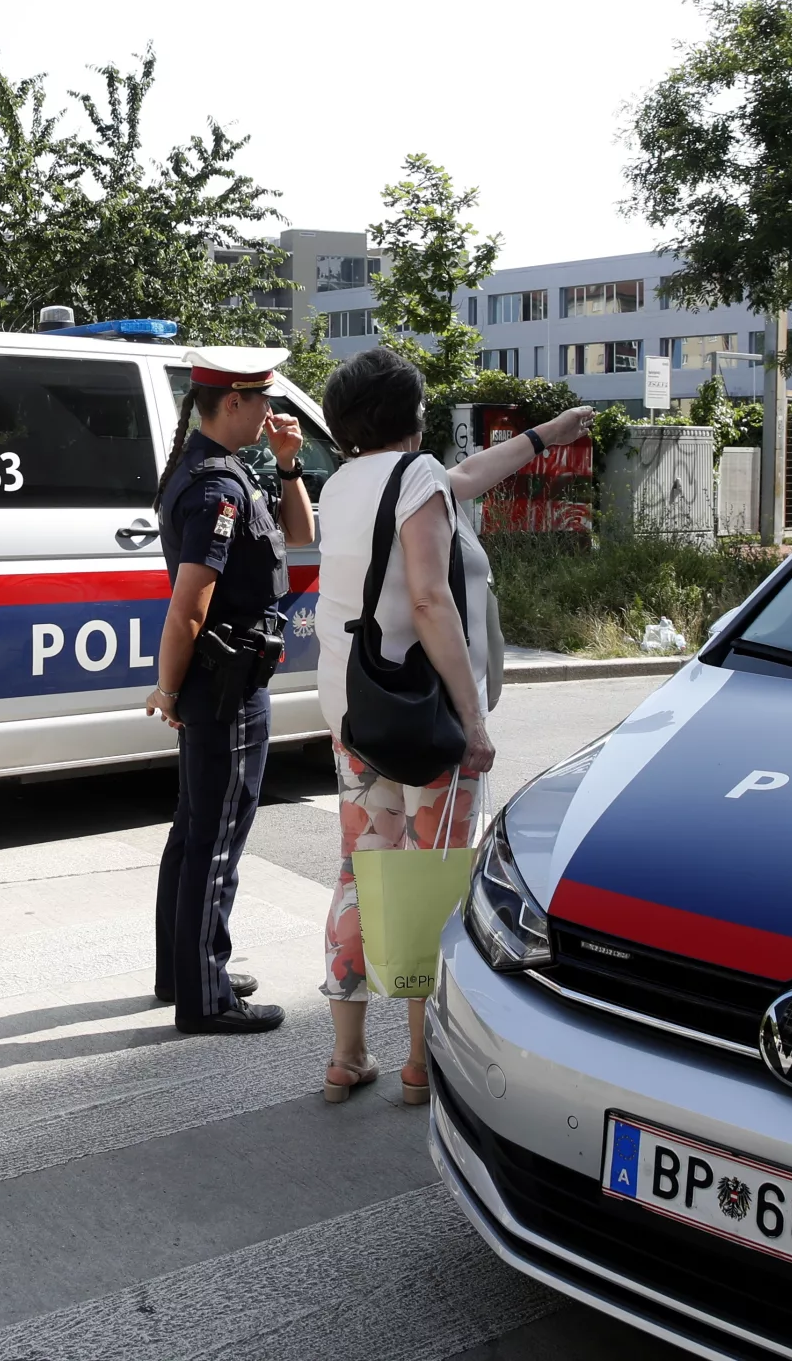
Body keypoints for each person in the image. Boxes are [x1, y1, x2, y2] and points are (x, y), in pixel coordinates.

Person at [311, 347, 593, 1102]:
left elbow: (463, 477)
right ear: (414, 415)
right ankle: (418, 1061)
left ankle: (345, 1055)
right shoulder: (418, 479)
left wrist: (543, 436)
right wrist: (475, 719)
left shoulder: (344, 482)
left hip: (358, 713)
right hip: (428, 720)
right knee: (434, 877)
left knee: (361, 869)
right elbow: (431, 601)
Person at [143, 347, 316, 1034]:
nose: (271, 412)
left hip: (219, 684)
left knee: (194, 832)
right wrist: (168, 689)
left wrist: (289, 463)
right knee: (215, 842)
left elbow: (300, 534)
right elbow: (188, 606)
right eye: (264, 400)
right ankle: (206, 998)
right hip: (227, 688)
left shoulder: (224, 470)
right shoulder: (217, 487)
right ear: (235, 402)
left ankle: (182, 972)